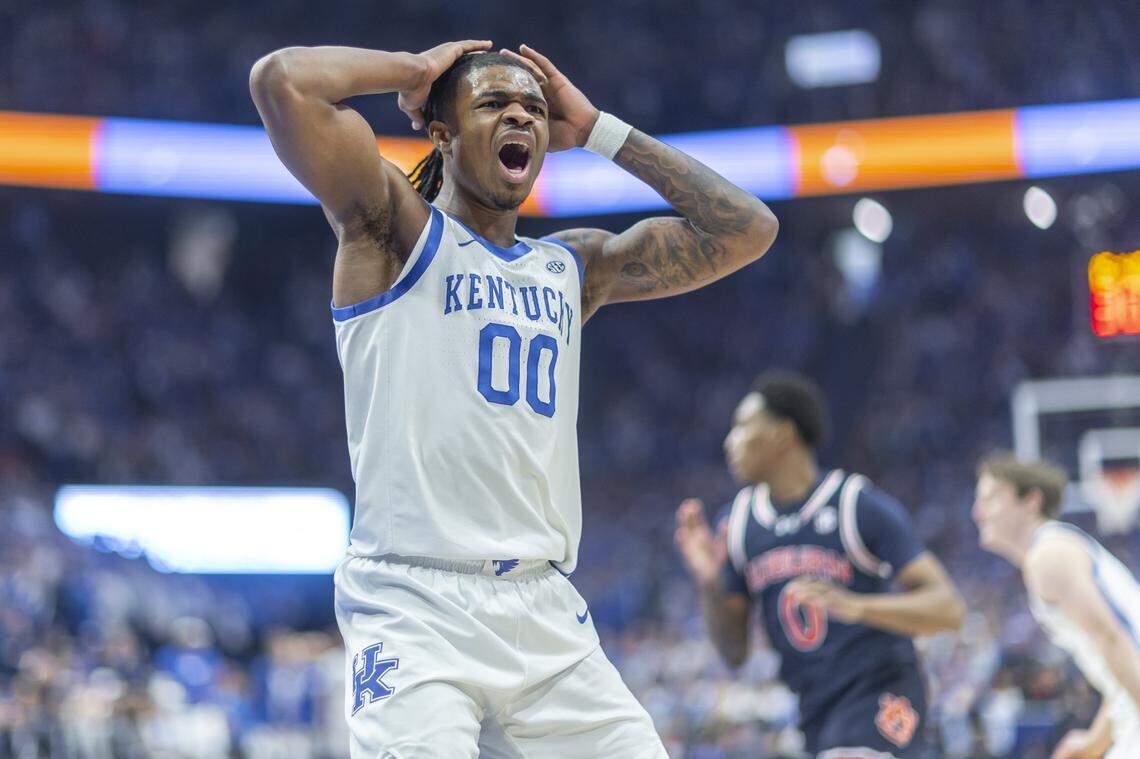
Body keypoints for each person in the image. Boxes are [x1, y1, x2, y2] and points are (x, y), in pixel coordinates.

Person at [249, 39, 778, 757]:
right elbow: (282, 83)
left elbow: (748, 228)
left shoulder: (568, 267)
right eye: (494, 104)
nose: (520, 118)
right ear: (442, 130)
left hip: (542, 612)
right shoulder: (392, 230)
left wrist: (596, 129)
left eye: (533, 108)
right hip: (415, 602)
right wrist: (415, 73)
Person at [676, 371, 964, 757]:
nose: (730, 443)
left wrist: (856, 606)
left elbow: (948, 609)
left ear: (782, 433)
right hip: (815, 709)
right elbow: (734, 652)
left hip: (881, 690)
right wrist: (710, 582)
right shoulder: (740, 523)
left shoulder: (854, 503)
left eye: (742, 427)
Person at [973, 453, 1140, 759]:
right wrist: (1094, 741)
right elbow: (1124, 659)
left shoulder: (1047, 556)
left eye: (991, 498)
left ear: (1031, 501)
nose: (978, 511)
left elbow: (1113, 638)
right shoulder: (1051, 551)